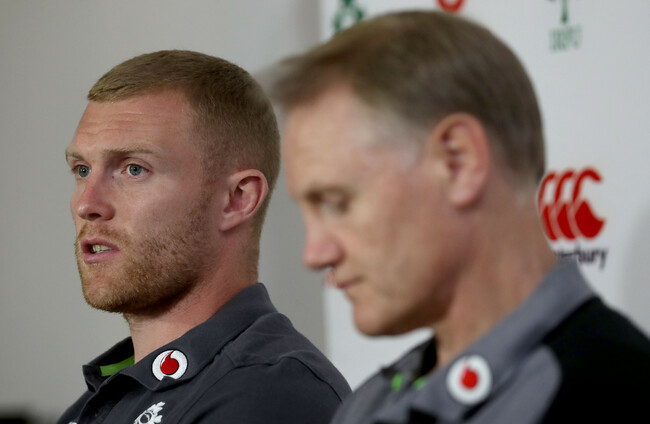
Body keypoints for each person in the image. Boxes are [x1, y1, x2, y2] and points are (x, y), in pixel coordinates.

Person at [272, 11, 650, 423]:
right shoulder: (367, 405)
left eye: (337, 202)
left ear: (458, 162)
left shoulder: (614, 393)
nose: (314, 253)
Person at [60, 50, 350, 424]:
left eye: (134, 169)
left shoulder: (267, 391)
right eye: (82, 169)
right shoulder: (100, 400)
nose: (87, 204)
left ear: (237, 199)